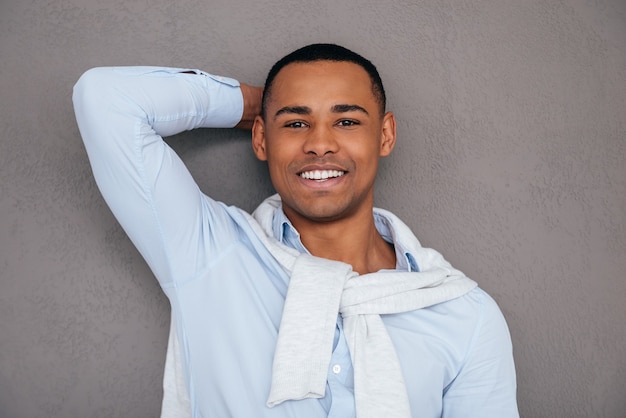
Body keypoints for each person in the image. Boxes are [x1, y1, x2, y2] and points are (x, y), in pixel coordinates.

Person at [73, 43, 519, 418]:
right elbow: (105, 99)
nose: (319, 143)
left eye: (346, 121)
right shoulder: (210, 253)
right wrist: (253, 105)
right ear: (262, 140)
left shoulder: (465, 315)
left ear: (385, 135)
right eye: (295, 123)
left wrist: (278, 114)